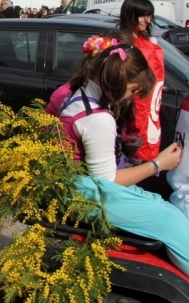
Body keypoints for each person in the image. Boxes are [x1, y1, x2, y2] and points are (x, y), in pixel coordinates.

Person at [51, 37, 189, 276]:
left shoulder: (77, 95)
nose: (132, 97)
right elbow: (106, 182)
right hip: (88, 193)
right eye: (134, 90)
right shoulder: (98, 118)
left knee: (162, 205)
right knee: (170, 219)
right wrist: (158, 164)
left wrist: (122, 145)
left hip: (78, 185)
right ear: (118, 83)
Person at [119, 0, 163, 162]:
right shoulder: (120, 43)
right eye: (143, 15)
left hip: (146, 111)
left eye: (149, 15)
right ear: (131, 14)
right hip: (126, 109)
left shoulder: (148, 43)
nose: (147, 20)